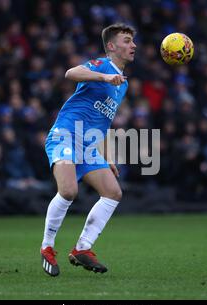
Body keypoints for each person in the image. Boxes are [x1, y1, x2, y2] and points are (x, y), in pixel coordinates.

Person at [40, 23, 136, 276]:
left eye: (133, 41)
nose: (133, 45)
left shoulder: (122, 84)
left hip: (89, 143)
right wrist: (103, 76)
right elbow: (71, 73)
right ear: (112, 46)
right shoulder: (102, 66)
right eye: (127, 40)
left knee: (113, 192)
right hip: (66, 135)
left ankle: (82, 248)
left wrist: (107, 155)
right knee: (69, 190)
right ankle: (47, 247)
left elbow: (101, 122)